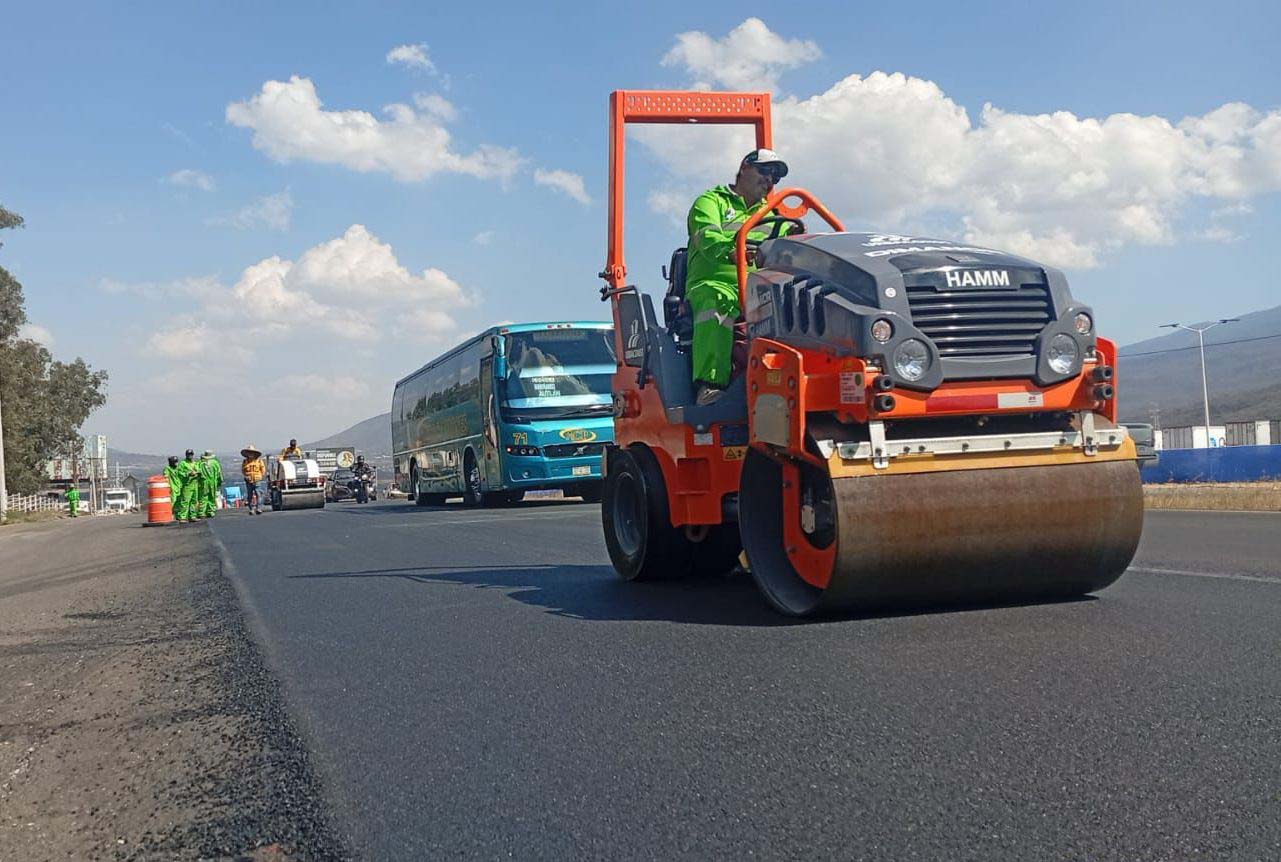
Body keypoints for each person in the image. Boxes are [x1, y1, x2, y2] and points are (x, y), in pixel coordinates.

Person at [685, 148, 791, 405]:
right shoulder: (712, 202)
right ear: (744, 168)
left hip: (760, 290)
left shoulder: (775, 216)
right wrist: (733, 251)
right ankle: (710, 385)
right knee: (717, 300)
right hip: (715, 283)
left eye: (775, 177)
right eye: (765, 171)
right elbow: (706, 238)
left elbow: (792, 250)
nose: (769, 180)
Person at [174, 449, 201, 523]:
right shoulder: (183, 463)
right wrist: (188, 474)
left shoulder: (195, 463)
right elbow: (179, 473)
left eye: (191, 454)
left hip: (195, 483)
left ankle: (192, 516)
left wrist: (198, 473)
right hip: (187, 485)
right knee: (185, 501)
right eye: (188, 454)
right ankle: (182, 517)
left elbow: (199, 470)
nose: (190, 456)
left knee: (194, 501)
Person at [240, 444, 266, 515]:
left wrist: (260, 476)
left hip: (257, 479)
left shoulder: (259, 461)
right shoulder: (245, 462)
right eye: (249, 453)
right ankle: (251, 509)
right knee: (250, 495)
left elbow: (263, 470)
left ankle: (258, 508)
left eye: (252, 453)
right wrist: (246, 476)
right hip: (248, 480)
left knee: (258, 494)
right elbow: (243, 470)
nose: (250, 454)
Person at [198, 449, 223, 519]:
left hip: (203, 482)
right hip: (212, 482)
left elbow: (197, 473)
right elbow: (219, 473)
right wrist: (220, 481)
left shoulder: (200, 463)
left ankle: (202, 512)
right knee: (212, 497)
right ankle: (210, 511)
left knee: (203, 497)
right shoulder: (215, 463)